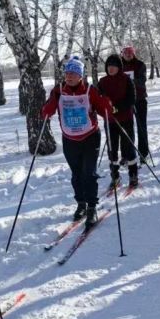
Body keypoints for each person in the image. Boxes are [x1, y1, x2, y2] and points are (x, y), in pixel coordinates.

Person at [42, 56, 111, 227]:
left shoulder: (89, 90)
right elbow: (48, 109)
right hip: (69, 139)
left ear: (80, 76)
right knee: (77, 174)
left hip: (90, 137)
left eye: (73, 74)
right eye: (67, 74)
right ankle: (81, 203)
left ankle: (92, 207)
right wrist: (46, 111)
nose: (69, 77)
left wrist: (107, 107)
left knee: (89, 173)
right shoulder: (59, 90)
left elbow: (103, 108)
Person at [97, 54, 137, 188]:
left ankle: (133, 175)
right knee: (112, 149)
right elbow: (97, 99)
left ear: (119, 67)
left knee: (128, 147)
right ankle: (115, 176)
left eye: (114, 66)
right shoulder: (102, 82)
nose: (111, 68)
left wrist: (117, 108)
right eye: (109, 66)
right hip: (110, 121)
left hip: (125, 119)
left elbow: (132, 98)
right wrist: (102, 107)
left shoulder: (126, 79)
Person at [121, 45, 149, 163]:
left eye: (130, 53)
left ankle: (143, 153)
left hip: (139, 99)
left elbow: (142, 81)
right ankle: (126, 155)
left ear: (133, 54)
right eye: (126, 53)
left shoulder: (140, 65)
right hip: (124, 101)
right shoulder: (119, 65)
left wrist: (130, 81)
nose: (128, 55)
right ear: (122, 54)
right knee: (125, 128)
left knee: (141, 127)